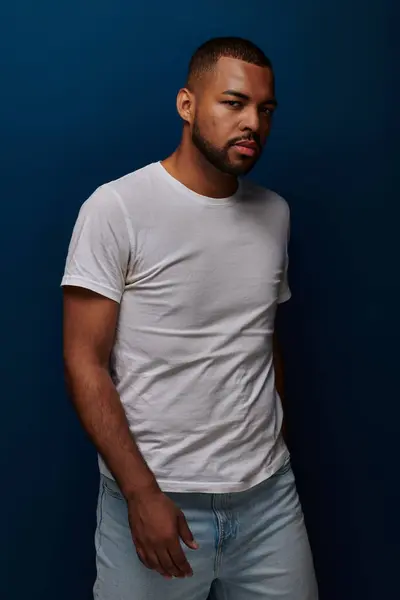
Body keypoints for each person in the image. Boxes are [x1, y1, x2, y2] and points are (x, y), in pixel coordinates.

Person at [62, 36, 318, 600]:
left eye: (265, 109)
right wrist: (139, 492)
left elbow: (260, 336)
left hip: (268, 499)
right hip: (159, 500)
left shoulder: (274, 212)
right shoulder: (117, 207)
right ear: (187, 105)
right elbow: (84, 360)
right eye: (233, 103)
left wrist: (269, 440)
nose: (253, 122)